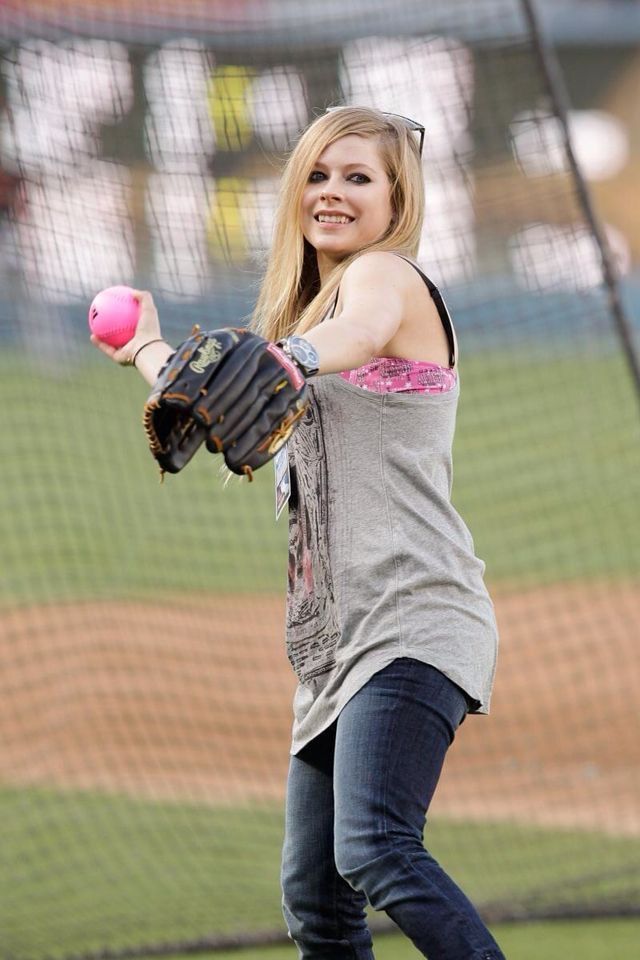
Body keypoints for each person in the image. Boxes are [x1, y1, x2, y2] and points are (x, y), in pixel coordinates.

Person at [92, 106, 504, 960]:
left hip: (412, 617)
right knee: (315, 902)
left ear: (397, 199)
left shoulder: (384, 277)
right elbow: (208, 394)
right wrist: (146, 348)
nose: (332, 192)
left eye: (358, 177)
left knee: (376, 846)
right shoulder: (302, 323)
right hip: (334, 649)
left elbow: (358, 332)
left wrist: (297, 357)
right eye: (317, 175)